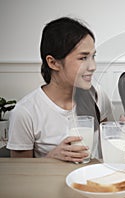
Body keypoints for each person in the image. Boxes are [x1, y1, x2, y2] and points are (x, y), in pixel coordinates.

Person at [7, 17, 112, 163]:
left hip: (92, 182)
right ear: (53, 62)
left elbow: (108, 145)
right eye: (83, 58)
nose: (92, 66)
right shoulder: (25, 112)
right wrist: (51, 157)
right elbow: (19, 173)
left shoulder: (98, 96)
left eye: (93, 56)